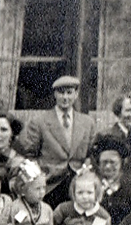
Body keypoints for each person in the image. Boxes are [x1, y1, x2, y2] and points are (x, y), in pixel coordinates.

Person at [17, 75, 98, 209]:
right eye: (61, 93)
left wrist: (86, 168)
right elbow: (29, 155)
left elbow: (92, 154)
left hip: (78, 186)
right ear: (55, 94)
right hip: (50, 186)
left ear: (76, 94)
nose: (65, 97)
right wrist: (39, 178)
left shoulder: (88, 122)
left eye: (69, 92)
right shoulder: (39, 122)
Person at [91, 134, 131, 225]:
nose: (108, 167)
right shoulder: (91, 182)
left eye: (113, 162)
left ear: (121, 163)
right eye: (104, 162)